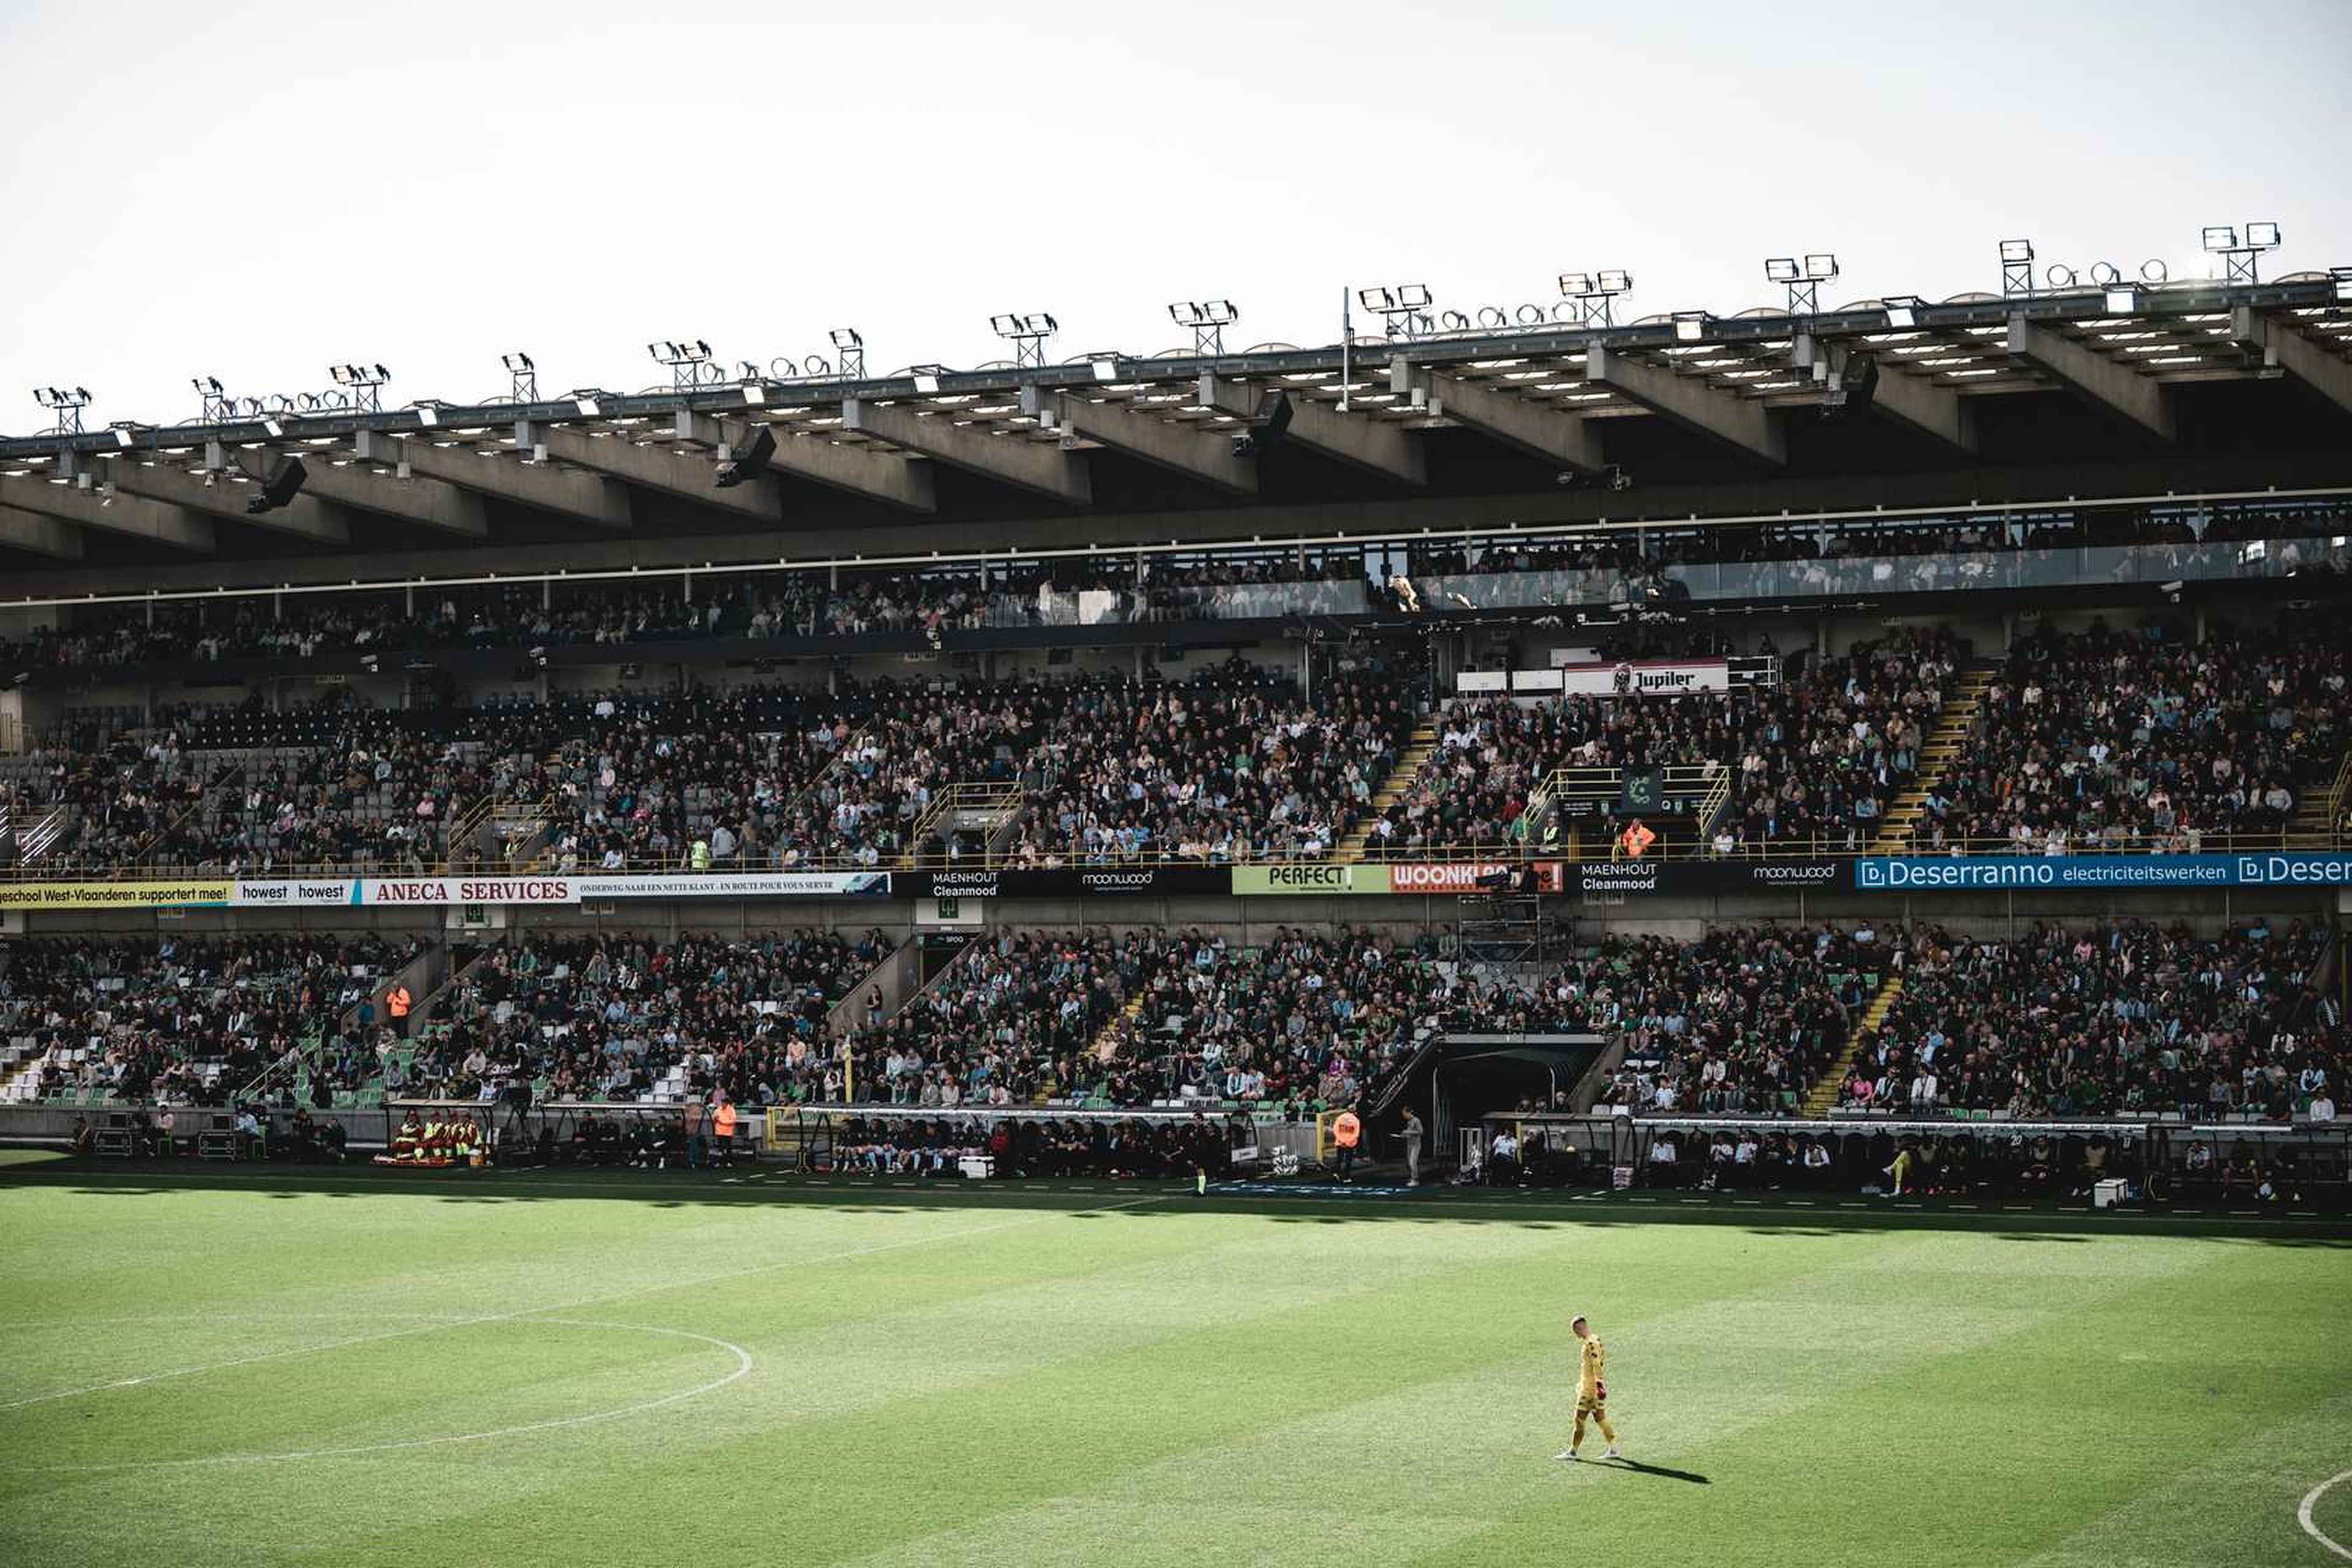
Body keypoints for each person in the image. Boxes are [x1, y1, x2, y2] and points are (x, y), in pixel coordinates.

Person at [1555, 1314, 1622, 1461]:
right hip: (1592, 1387)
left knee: (1579, 1419)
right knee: (1600, 1419)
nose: (1575, 1334)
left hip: (1590, 1390)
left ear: (1580, 1327)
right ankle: (1614, 1449)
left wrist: (1599, 1386)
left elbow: (1596, 1365)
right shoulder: (1595, 1339)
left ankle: (1572, 1452)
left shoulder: (1591, 1344)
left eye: (1575, 1331)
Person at [1330, 1106, 1362, 1182]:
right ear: (1355, 1112)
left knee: (1339, 1159)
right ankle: (1346, 1177)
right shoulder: (1356, 1120)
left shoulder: (1340, 1118)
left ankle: (1337, 1173)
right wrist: (1348, 1141)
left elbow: (1336, 1130)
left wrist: (1342, 1140)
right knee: (1348, 1160)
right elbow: (1356, 1134)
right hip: (1350, 1143)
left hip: (1340, 1142)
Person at [1401, 1107, 1425, 1186]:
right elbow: (1410, 1133)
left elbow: (1421, 1132)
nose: (1404, 1116)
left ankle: (1415, 1180)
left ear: (1409, 1113)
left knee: (1413, 1162)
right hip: (1410, 1145)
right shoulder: (1409, 1122)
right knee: (1410, 1163)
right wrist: (1404, 1135)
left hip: (1416, 1145)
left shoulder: (1416, 1120)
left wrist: (1408, 1132)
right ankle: (1412, 1178)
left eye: (1404, 1114)